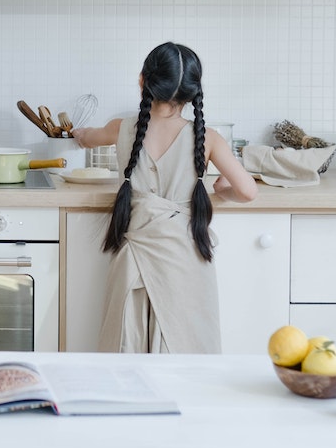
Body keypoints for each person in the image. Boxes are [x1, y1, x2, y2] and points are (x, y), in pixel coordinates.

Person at [73, 42, 257, 354]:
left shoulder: (122, 128)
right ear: (192, 92)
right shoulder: (208, 137)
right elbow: (247, 191)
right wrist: (221, 189)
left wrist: (78, 134)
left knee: (126, 346)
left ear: (143, 81)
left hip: (133, 258)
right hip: (183, 259)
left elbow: (88, 138)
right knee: (184, 348)